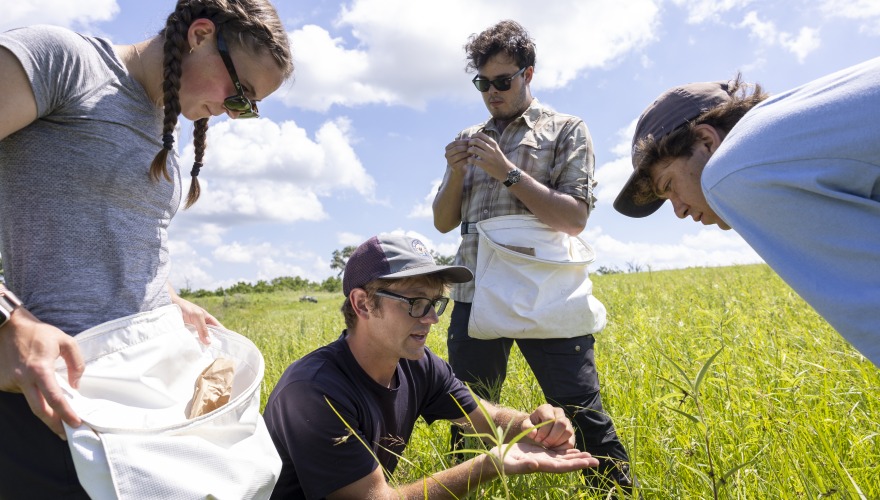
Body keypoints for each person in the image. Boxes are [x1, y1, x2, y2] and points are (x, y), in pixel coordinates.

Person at [0, 1, 293, 496]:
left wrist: (172, 300)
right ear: (200, 35)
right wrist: (9, 320)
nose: (232, 111)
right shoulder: (62, 60)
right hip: (52, 392)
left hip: (139, 386)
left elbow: (118, 234)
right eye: (239, 93)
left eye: (248, 107)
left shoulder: (163, 122)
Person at [432, 20, 635, 490]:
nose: (492, 92)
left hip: (546, 291)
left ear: (528, 74)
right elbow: (444, 222)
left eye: (503, 81)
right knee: (469, 413)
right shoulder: (470, 136)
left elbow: (574, 218)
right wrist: (455, 171)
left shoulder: (565, 129)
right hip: (474, 290)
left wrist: (506, 172)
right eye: (483, 83)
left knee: (582, 410)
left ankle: (613, 492)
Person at [263, 234, 599, 499]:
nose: (433, 318)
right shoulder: (314, 392)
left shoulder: (418, 365)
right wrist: (489, 465)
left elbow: (488, 419)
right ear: (363, 303)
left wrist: (535, 426)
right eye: (415, 303)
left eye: (436, 302)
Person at [613, 57, 880, 368]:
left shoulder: (733, 170)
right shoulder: (783, 131)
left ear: (706, 141)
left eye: (670, 185)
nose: (679, 211)